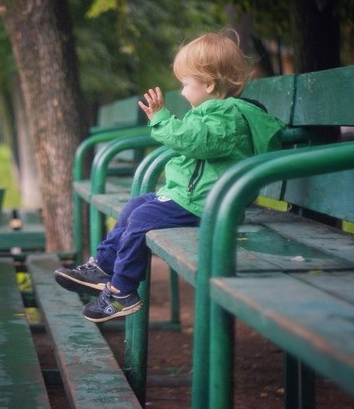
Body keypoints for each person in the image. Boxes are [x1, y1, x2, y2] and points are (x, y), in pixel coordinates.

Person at [54, 31, 286, 323]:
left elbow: (196, 142)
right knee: (135, 205)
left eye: (185, 84)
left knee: (141, 220)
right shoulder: (212, 111)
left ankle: (121, 291)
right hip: (190, 198)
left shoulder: (226, 115)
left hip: (206, 204)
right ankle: (103, 265)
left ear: (209, 84)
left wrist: (162, 118)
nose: (182, 91)